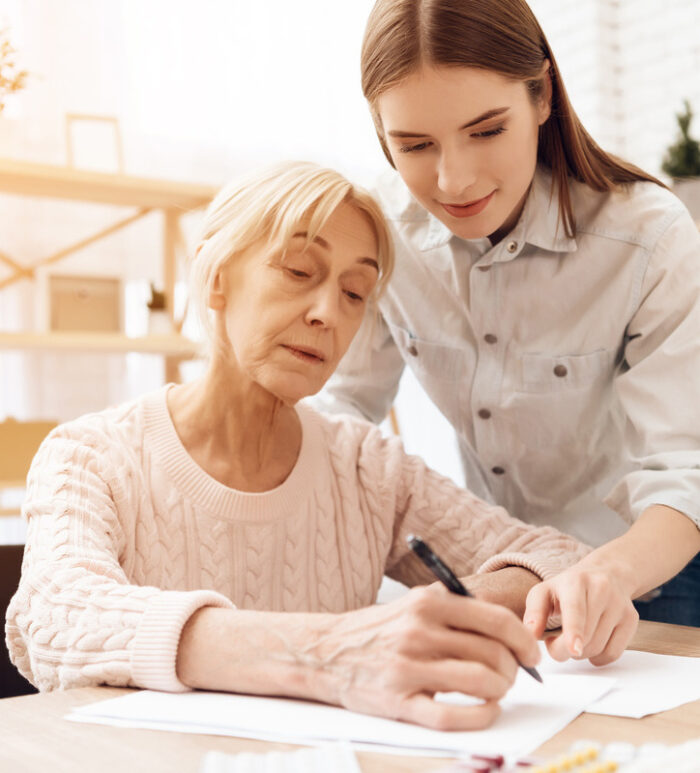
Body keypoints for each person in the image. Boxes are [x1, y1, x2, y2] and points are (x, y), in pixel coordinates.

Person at [6, 161, 595, 731]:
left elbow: (559, 557)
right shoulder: (88, 456)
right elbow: (60, 618)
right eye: (297, 270)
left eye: (355, 292)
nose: (327, 314)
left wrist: (439, 616)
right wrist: (333, 650)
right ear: (216, 277)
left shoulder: (367, 466)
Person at [314, 0, 700, 635]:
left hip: (655, 570)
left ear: (543, 94)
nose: (453, 179)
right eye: (413, 145)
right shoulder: (382, 236)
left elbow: (683, 471)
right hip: (510, 571)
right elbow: (343, 408)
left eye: (487, 130)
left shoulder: (647, 238)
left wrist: (607, 573)